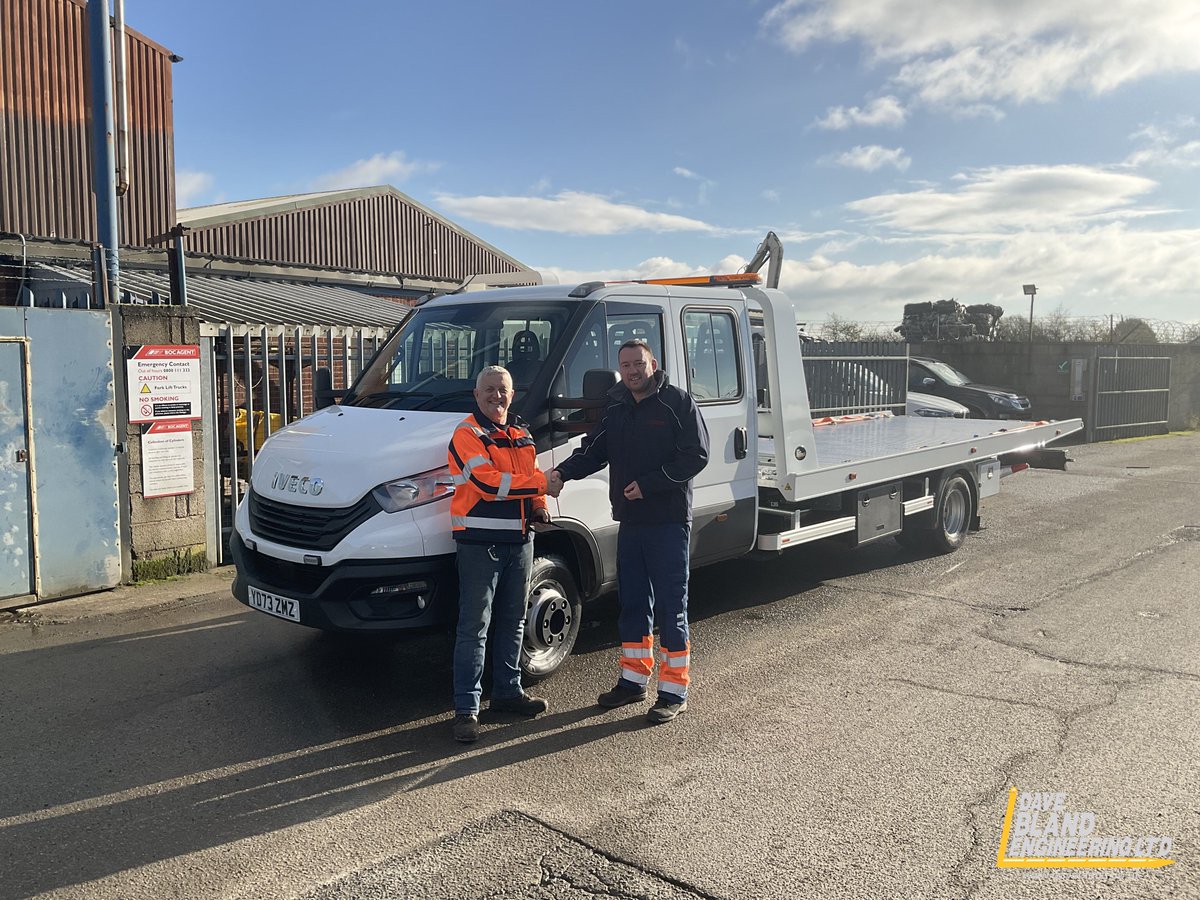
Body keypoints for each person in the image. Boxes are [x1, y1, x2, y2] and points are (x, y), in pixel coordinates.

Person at [549, 339, 709, 724]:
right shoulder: (617, 404)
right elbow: (594, 449)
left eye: (639, 363)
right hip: (631, 522)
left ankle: (673, 690)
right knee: (634, 603)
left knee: (672, 607)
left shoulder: (677, 402)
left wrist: (651, 484)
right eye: (626, 364)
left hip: (668, 521)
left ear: (652, 363)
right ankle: (634, 680)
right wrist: (560, 474)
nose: (633, 370)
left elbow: (696, 455)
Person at [447, 365, 559, 743]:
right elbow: (487, 483)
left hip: (521, 540)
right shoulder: (467, 434)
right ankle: (467, 709)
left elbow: (532, 474)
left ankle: (508, 694)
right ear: (476, 395)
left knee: (513, 621)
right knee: (474, 627)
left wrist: (540, 504)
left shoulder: (521, 432)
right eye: (489, 390)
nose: (497, 396)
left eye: (503, 390)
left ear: (513, 395)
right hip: (480, 543)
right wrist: (542, 484)